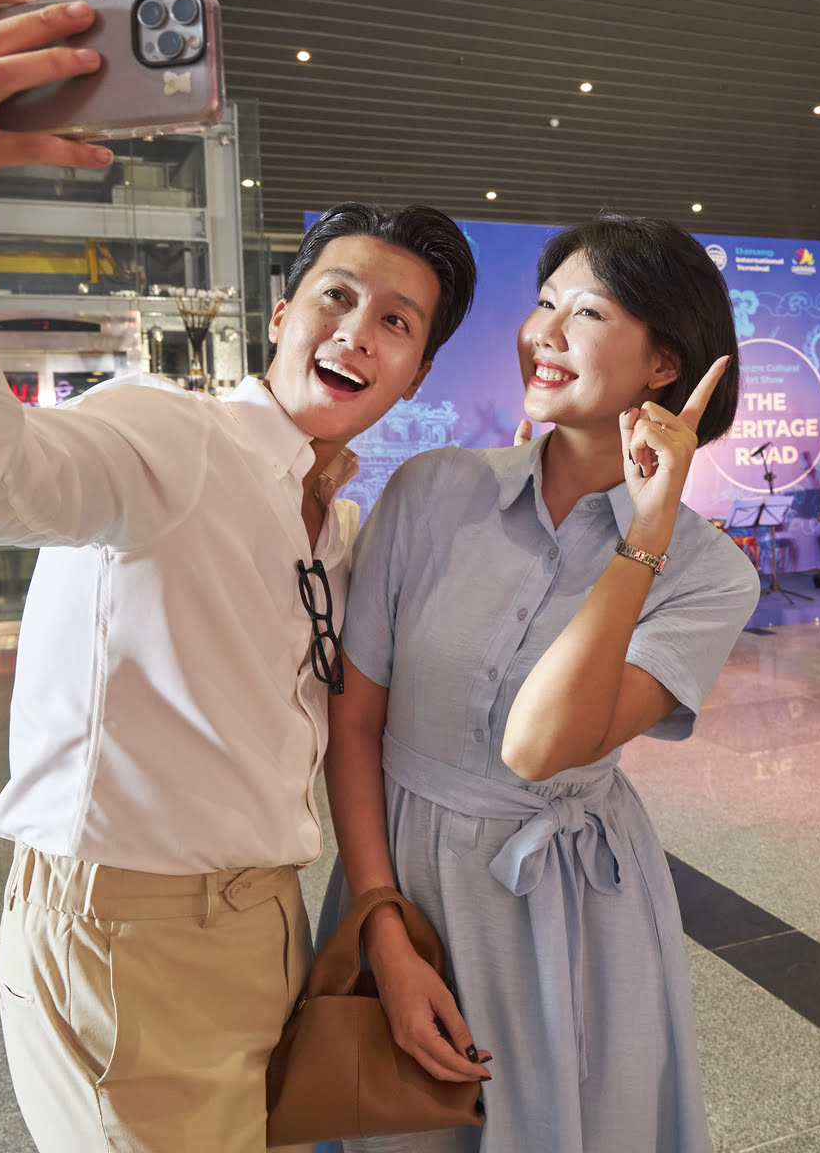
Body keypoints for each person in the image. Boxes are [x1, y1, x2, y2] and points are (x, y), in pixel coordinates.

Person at [0, 0, 478, 1153]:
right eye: (336, 295)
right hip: (133, 932)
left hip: (262, 923)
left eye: (398, 321)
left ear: (416, 376)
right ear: (281, 314)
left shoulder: (332, 523)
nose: (358, 330)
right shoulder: (168, 435)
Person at [319, 214, 761, 1153]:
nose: (544, 333)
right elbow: (355, 726)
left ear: (662, 366)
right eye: (543, 304)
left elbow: (540, 746)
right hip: (401, 879)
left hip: (569, 909)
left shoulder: (707, 572)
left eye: (587, 312)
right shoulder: (433, 491)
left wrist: (644, 533)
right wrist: (381, 929)